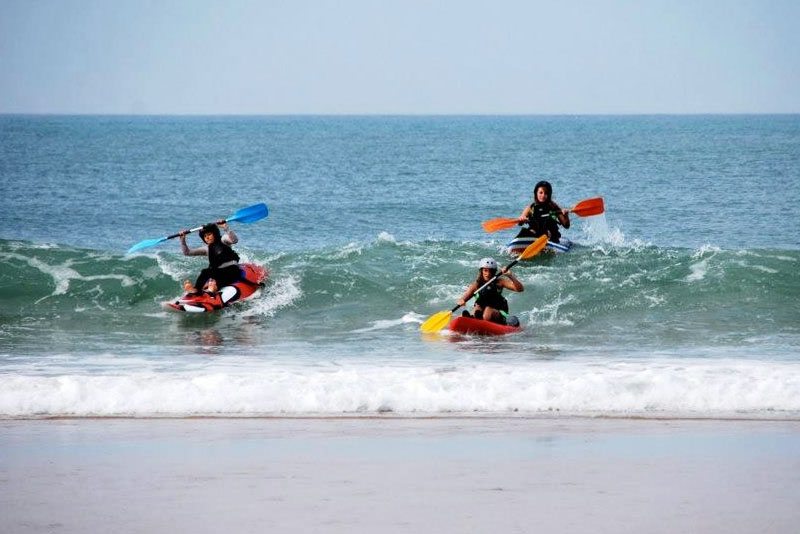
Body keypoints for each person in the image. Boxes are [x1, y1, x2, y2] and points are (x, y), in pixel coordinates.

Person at [179, 221, 241, 294]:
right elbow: (187, 253)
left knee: (222, 276)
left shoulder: (223, 240)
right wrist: (183, 240)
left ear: (214, 234)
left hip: (232, 270)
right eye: (205, 236)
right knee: (205, 272)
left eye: (209, 234)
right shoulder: (206, 249)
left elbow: (234, 240)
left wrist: (225, 227)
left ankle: (214, 288)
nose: (207, 237)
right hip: (219, 272)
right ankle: (196, 289)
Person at [457, 257, 524, 325]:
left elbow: (520, 289)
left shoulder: (500, 282)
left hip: (498, 311)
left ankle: (478, 319)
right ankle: (473, 318)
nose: (488, 273)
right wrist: (461, 301)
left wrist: (510, 276)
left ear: (494, 272)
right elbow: (462, 299)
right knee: (476, 309)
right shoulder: (475, 285)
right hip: (481, 310)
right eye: (485, 270)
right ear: (481, 271)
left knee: (487, 312)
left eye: (490, 271)